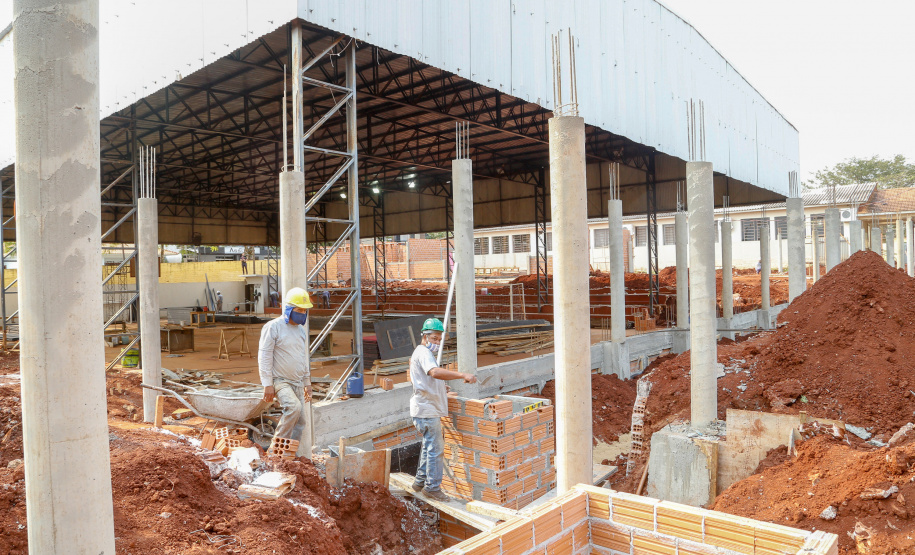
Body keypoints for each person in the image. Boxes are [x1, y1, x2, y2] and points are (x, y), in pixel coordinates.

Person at [409, 317, 477, 502]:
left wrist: (440, 388)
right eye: (434, 338)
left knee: (428, 446)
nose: (437, 342)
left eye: (439, 339)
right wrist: (462, 374)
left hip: (424, 408)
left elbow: (424, 379)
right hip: (426, 410)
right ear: (424, 336)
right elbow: (434, 372)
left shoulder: (422, 353)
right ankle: (432, 488)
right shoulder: (423, 352)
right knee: (435, 450)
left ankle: (419, 482)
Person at [259, 287, 313, 449]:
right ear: (288, 308)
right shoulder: (273, 327)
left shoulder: (301, 331)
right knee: (293, 408)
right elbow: (264, 356)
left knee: (301, 421)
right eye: (299, 309)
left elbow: (302, 358)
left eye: (305, 310)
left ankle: (290, 455)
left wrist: (307, 382)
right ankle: (276, 451)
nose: (302, 313)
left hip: (297, 381)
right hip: (280, 381)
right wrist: (267, 384)